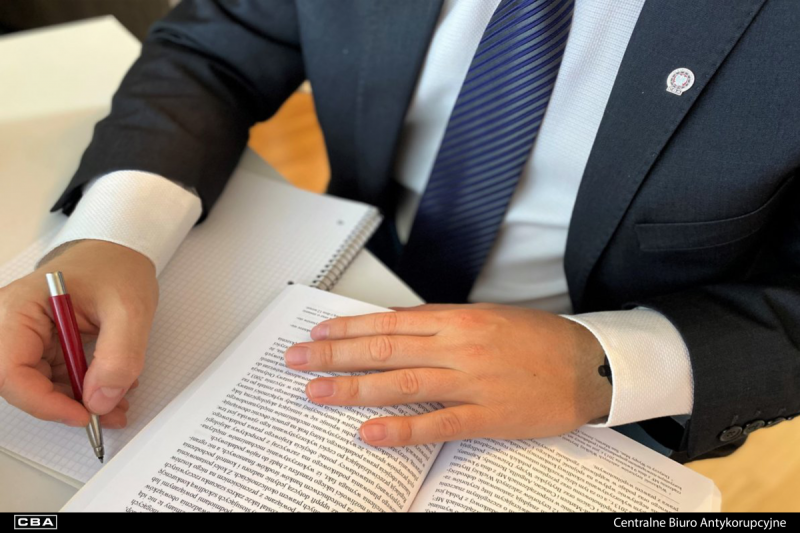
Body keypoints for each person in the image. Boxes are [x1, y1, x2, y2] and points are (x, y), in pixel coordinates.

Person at [1, 0, 798, 464]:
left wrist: (604, 365)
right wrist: (115, 232)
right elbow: (218, 44)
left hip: (610, 389)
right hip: (346, 284)